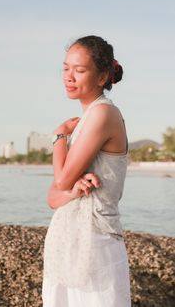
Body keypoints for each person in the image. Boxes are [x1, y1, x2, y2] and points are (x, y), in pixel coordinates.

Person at [42, 35, 131, 307]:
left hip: (96, 246)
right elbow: (53, 198)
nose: (69, 76)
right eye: (66, 68)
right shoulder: (84, 122)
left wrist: (59, 136)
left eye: (79, 70)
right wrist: (75, 192)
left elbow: (62, 178)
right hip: (64, 245)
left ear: (103, 76)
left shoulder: (103, 114)